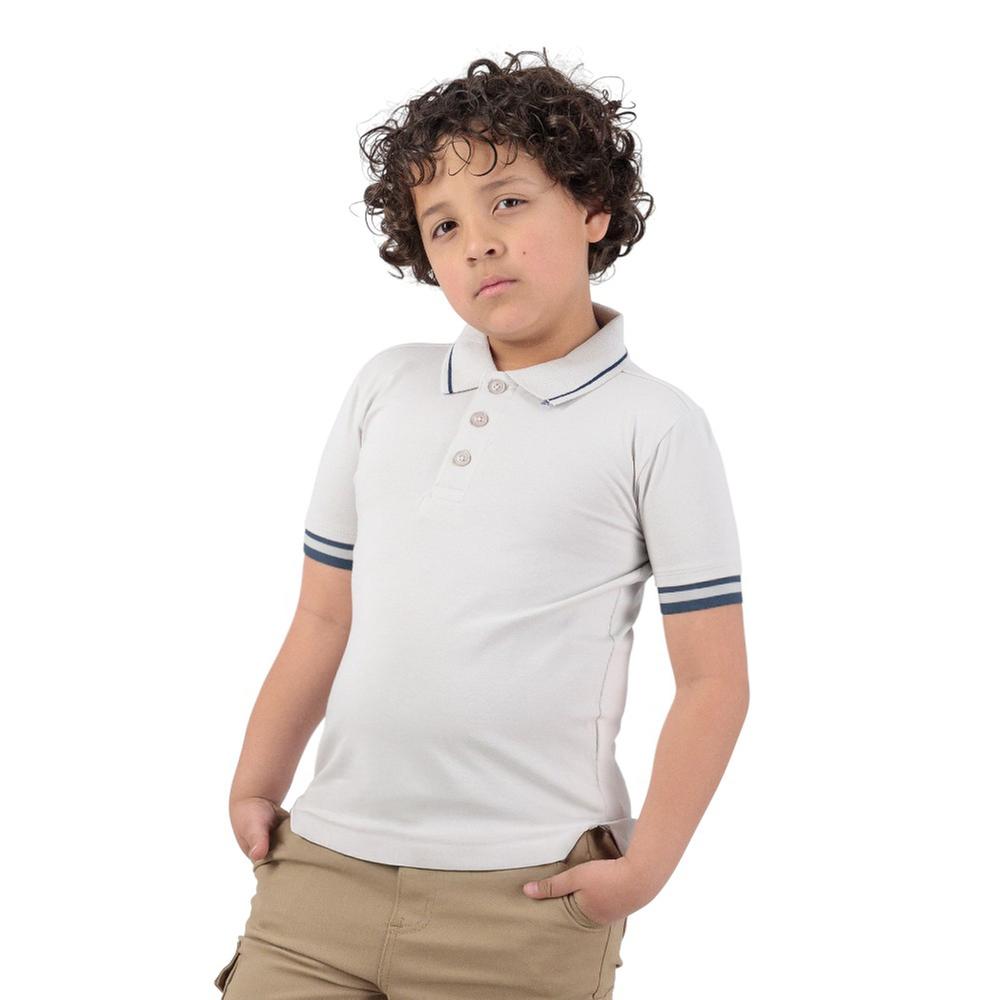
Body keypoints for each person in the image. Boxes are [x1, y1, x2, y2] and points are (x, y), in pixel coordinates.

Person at [215, 48, 749, 1000]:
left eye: (508, 201)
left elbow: (713, 679)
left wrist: (645, 869)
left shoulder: (657, 425)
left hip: (525, 901)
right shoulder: (386, 387)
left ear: (593, 207)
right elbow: (324, 616)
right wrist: (257, 781)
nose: (478, 242)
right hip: (322, 875)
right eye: (445, 223)